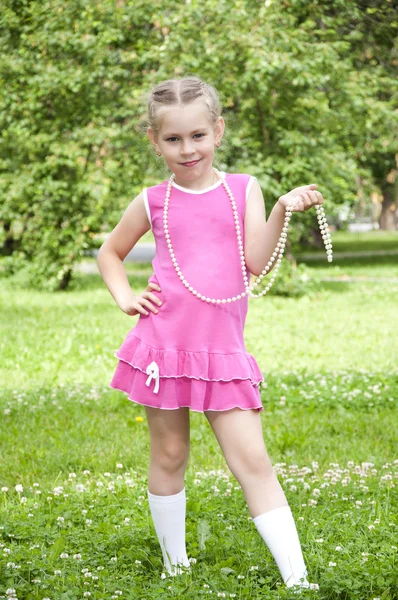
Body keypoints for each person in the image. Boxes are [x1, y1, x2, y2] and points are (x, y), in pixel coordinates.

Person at [97, 76, 323, 592]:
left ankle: (298, 578)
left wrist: (283, 208)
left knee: (253, 461)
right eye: (173, 139)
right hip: (163, 347)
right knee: (169, 454)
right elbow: (109, 253)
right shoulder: (153, 200)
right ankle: (175, 565)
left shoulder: (242, 188)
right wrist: (126, 297)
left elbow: (255, 262)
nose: (187, 148)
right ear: (154, 142)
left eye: (198, 135)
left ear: (217, 131)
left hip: (221, 352)